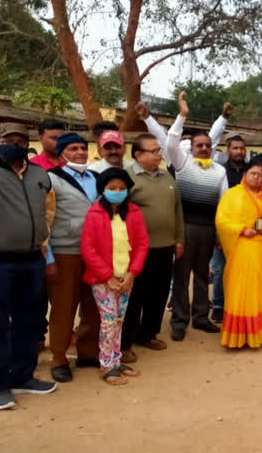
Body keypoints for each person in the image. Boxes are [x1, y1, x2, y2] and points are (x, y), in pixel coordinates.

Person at [0, 123, 57, 410]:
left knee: (29, 320)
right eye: (8, 139)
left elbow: (48, 211)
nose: (15, 144)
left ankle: (23, 376)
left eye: (20, 140)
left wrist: (44, 245)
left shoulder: (40, 175)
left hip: (32, 259)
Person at [167, 92, 229, 341]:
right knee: (181, 277)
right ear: (191, 149)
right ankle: (179, 321)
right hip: (184, 228)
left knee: (204, 276)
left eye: (207, 145)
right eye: (199, 145)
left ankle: (201, 318)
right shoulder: (183, 164)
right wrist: (182, 115)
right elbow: (171, 143)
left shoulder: (220, 171)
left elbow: (224, 205)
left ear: (212, 148)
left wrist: (219, 234)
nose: (204, 148)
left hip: (207, 230)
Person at [119, 134, 184, 362]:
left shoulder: (167, 176)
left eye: (159, 150)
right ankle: (125, 342)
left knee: (158, 294)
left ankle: (148, 334)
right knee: (135, 296)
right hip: (137, 250)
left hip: (165, 247)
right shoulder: (126, 178)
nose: (159, 154)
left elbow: (177, 209)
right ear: (138, 155)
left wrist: (179, 238)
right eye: (154, 150)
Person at [81, 168, 149, 385]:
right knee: (108, 321)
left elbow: (141, 244)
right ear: (103, 190)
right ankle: (107, 365)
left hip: (126, 277)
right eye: (112, 188)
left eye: (122, 188)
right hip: (103, 280)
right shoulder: (94, 214)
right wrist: (107, 276)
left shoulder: (134, 212)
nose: (117, 191)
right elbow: (88, 248)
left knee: (119, 320)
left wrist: (132, 273)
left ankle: (116, 360)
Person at [46, 133, 101, 382]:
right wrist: (48, 259)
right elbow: (43, 220)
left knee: (93, 305)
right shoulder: (51, 180)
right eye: (73, 148)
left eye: (82, 148)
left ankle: (88, 352)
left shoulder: (97, 178)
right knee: (64, 307)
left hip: (96, 253)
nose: (80, 152)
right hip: (65, 252)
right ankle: (59, 358)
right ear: (61, 155)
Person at [215, 160, 262, 348]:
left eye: (260, 175)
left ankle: (256, 334)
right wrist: (241, 229)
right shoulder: (232, 195)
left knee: (259, 290)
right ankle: (236, 335)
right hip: (240, 249)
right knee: (238, 289)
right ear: (244, 175)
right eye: (253, 173)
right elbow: (222, 221)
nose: (256, 177)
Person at [210, 134, 248, 324]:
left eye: (242, 148)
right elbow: (217, 204)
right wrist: (218, 233)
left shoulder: (251, 171)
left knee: (241, 270)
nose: (239, 152)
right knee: (220, 269)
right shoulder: (220, 171)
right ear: (228, 149)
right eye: (235, 148)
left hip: (246, 230)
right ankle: (218, 306)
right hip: (223, 228)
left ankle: (237, 305)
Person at [135, 102, 231, 166]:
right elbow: (159, 135)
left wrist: (224, 117)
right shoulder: (171, 156)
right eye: (184, 139)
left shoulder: (204, 154)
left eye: (190, 139)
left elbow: (213, 137)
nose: (187, 142)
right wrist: (146, 117)